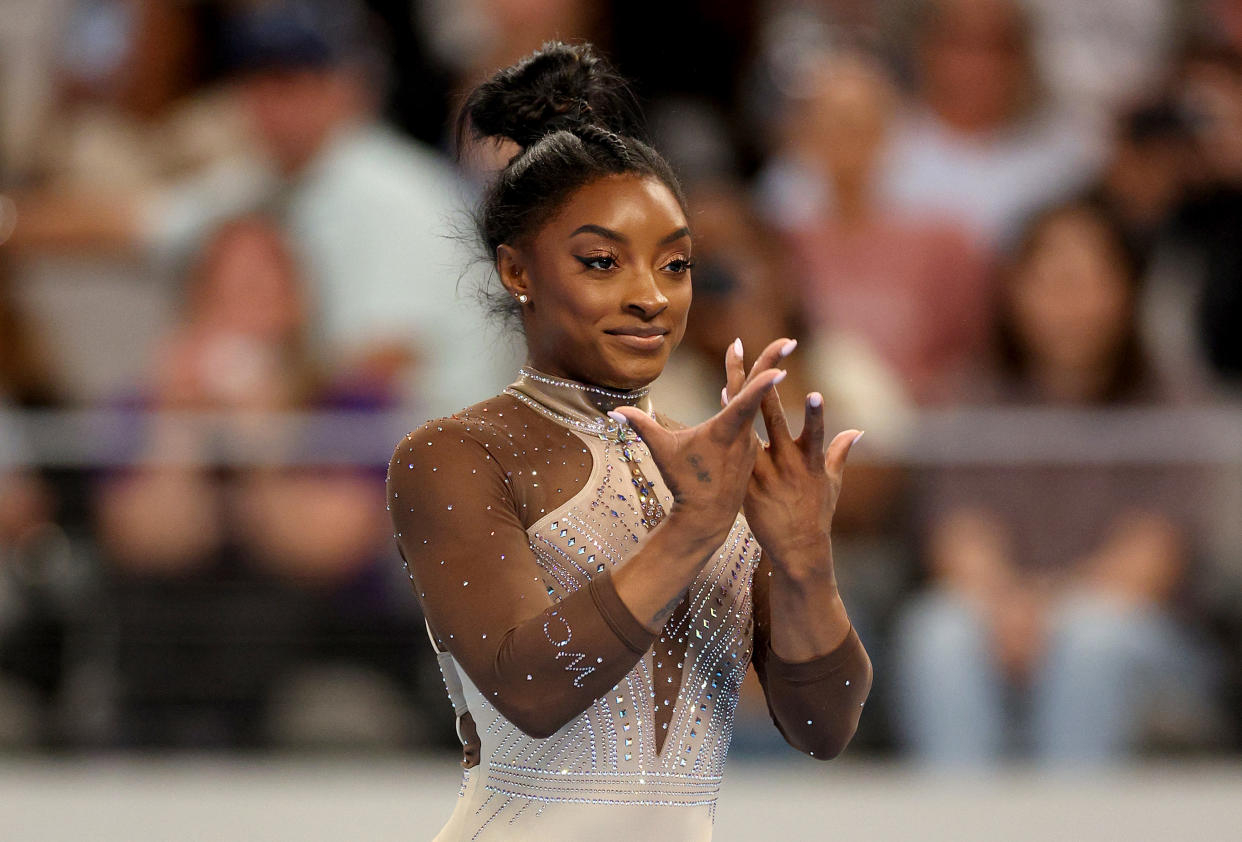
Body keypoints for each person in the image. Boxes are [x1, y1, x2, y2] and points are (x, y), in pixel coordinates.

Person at [386, 43, 872, 840]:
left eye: (675, 264)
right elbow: (532, 688)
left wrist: (804, 560)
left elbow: (825, 729)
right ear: (519, 271)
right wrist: (693, 530)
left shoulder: (709, 468)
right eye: (602, 262)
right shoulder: (455, 456)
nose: (649, 296)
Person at [893, 199, 1216, 766]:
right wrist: (1007, 607)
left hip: (1146, 638)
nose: (1070, 305)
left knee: (1090, 640)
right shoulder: (972, 396)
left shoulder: (1173, 400)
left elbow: (1149, 563)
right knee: (937, 632)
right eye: (1050, 282)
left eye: (1088, 281)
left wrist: (1043, 609)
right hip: (1004, 615)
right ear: (1014, 290)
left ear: (1126, 290)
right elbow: (960, 542)